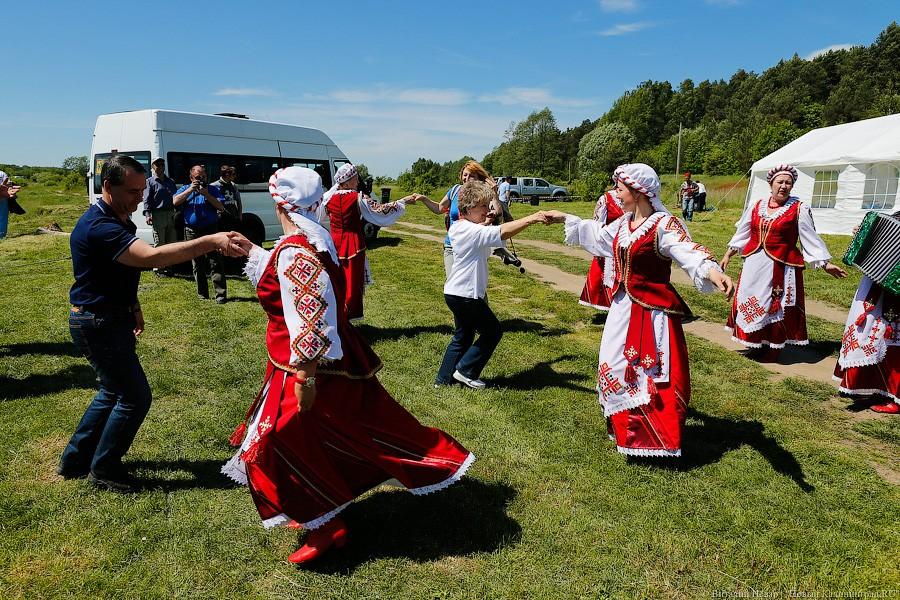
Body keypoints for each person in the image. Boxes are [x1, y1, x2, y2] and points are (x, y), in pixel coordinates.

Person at [222, 167, 474, 564]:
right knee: (333, 436)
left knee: (275, 443)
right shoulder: (307, 242)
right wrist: (252, 251)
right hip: (311, 363)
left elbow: (310, 315)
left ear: (278, 202)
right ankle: (320, 507)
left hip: (307, 368)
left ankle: (325, 524)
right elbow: (286, 280)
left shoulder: (297, 252)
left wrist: (304, 376)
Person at [58, 154, 249, 492]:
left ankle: (76, 459)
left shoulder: (116, 217)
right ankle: (104, 470)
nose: (139, 198)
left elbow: (119, 272)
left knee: (111, 391)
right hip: (97, 321)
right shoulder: (100, 227)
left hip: (107, 316)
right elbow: (149, 258)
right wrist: (211, 240)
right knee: (134, 397)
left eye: (142, 189)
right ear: (107, 186)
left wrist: (132, 304)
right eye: (132, 191)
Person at [544, 163, 733, 457]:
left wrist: (711, 272)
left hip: (653, 313)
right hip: (622, 308)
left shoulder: (663, 225)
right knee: (615, 364)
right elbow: (598, 237)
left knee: (649, 372)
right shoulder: (623, 223)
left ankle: (652, 437)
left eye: (620, 188)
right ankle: (623, 429)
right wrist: (565, 218)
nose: (616, 193)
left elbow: (688, 251)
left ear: (638, 191)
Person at [721, 164, 847, 361]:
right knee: (751, 300)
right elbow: (743, 232)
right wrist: (729, 254)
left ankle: (773, 347)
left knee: (774, 304)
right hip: (754, 263)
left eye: (788, 183)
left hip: (780, 266)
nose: (784, 186)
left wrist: (825, 264)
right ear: (771, 184)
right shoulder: (757, 204)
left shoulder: (799, 208)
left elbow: (809, 238)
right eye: (780, 182)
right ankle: (755, 342)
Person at [435, 181, 550, 388]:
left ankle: (443, 381)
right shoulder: (468, 231)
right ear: (468, 208)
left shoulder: (462, 227)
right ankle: (465, 371)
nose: (486, 211)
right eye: (482, 207)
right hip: (466, 296)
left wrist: (486, 220)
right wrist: (532, 218)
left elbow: (481, 229)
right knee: (492, 331)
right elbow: (501, 232)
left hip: (456, 293)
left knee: (463, 336)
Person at [319, 163, 419, 321]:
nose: (357, 181)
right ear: (347, 181)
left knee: (337, 281)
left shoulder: (326, 199)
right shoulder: (357, 198)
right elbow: (380, 210)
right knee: (352, 284)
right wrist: (403, 201)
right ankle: (348, 318)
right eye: (355, 178)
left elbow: (318, 219)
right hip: (354, 245)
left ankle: (336, 316)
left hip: (334, 246)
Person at [418, 160, 501, 277]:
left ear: (479, 178)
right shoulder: (455, 190)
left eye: (471, 175)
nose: (467, 178)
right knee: (453, 282)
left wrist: (494, 193)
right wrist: (424, 199)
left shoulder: (484, 193)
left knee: (473, 284)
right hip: (451, 246)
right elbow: (439, 208)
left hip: (474, 246)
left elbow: (497, 211)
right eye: (465, 174)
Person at [173, 165, 229, 303]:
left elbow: (221, 207)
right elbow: (175, 201)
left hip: (210, 229)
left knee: (215, 261)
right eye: (198, 177)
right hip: (192, 230)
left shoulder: (212, 189)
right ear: (191, 178)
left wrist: (206, 194)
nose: (202, 179)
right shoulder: (185, 188)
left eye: (204, 176)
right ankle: (202, 294)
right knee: (197, 262)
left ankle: (220, 295)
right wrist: (191, 189)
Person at [579, 188, 624, 310]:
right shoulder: (606, 199)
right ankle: (611, 306)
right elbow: (597, 223)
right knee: (605, 275)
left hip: (627, 243)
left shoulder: (637, 198)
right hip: (609, 243)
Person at [142, 158, 179, 275]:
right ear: (153, 167)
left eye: (162, 164)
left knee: (171, 241)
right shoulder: (150, 182)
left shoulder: (170, 181)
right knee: (160, 242)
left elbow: (176, 197)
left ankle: (169, 267)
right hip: (158, 214)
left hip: (170, 213)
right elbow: (147, 199)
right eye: (157, 164)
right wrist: (147, 214)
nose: (160, 166)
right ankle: (159, 268)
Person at [209, 165, 243, 230]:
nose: (235, 176)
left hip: (233, 217)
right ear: (227, 175)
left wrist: (240, 215)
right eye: (233, 174)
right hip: (221, 218)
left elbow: (238, 201)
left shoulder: (233, 185)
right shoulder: (214, 186)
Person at [0, 171, 22, 240]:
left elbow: (8, 185)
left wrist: (9, 189)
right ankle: (1, 236)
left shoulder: (1, 173)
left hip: (3, 198)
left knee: (2, 216)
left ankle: (1, 236)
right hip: (3, 197)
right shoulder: (2, 173)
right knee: (2, 217)